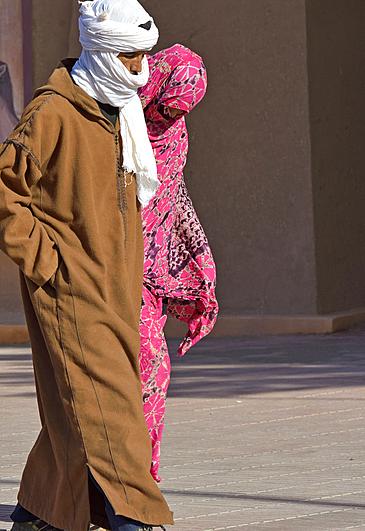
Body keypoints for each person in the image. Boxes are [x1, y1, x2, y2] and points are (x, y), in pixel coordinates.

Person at [0, 0, 173, 531]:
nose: (141, 69)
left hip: (116, 285)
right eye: (132, 57)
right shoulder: (55, 110)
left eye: (143, 56)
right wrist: (50, 261)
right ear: (107, 54)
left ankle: (37, 511)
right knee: (113, 407)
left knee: (78, 405)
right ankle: (136, 516)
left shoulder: (118, 108)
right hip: (71, 285)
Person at [136, 45, 219, 483]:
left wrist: (191, 250)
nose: (167, 118)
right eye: (165, 108)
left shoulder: (173, 132)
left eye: (178, 112)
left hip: (153, 269)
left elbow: (172, 190)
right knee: (146, 366)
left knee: (152, 375)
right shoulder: (118, 121)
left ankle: (140, 484)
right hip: (114, 269)